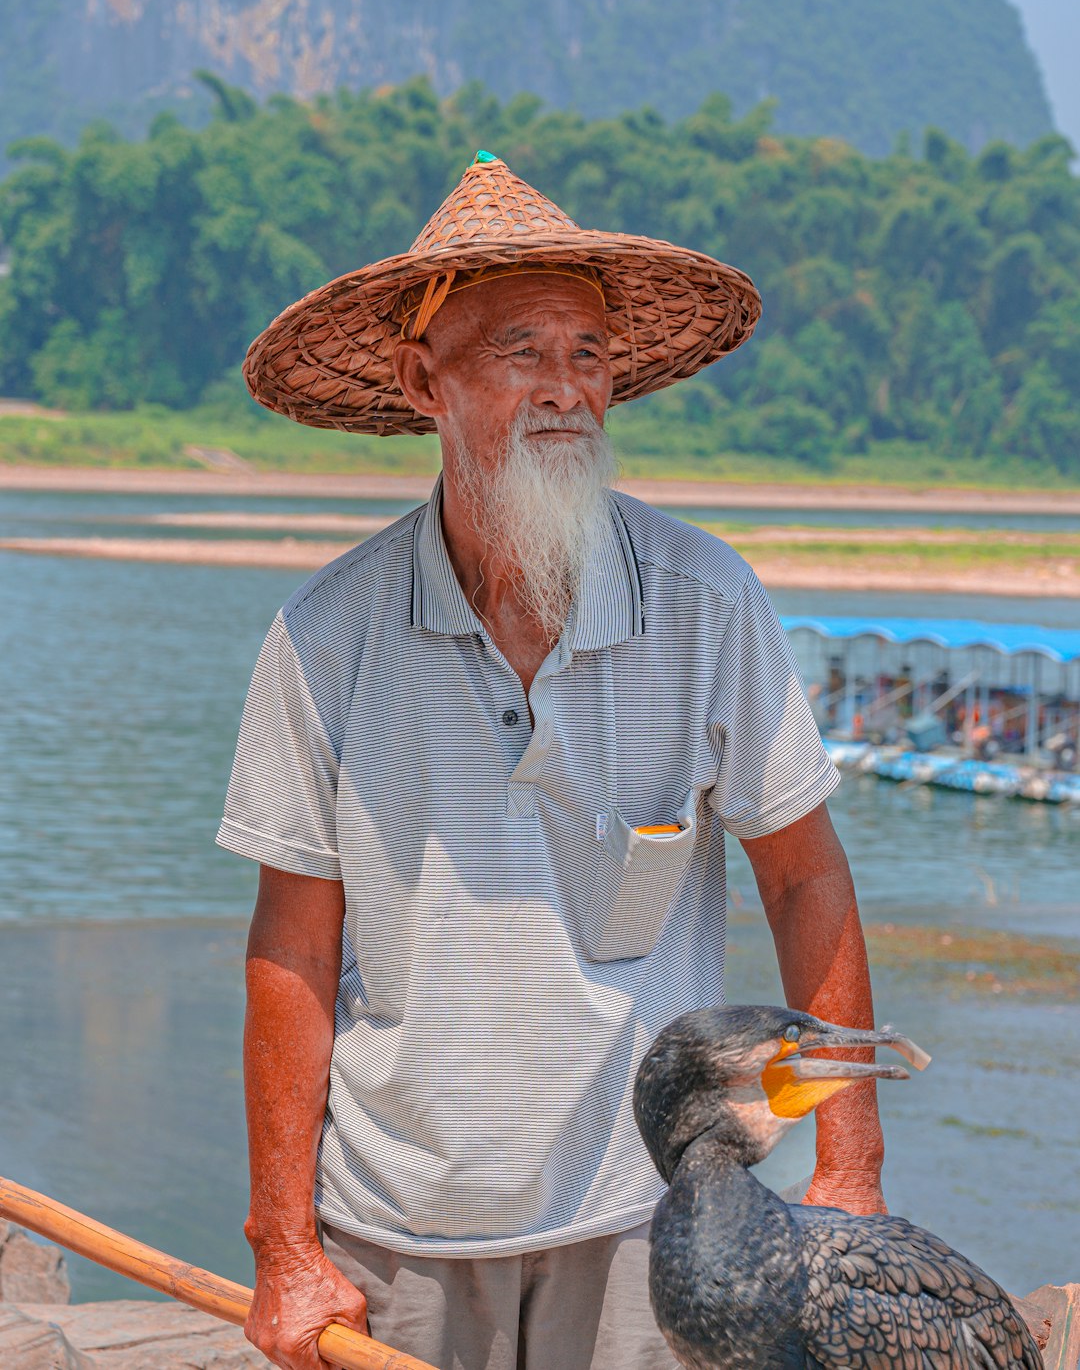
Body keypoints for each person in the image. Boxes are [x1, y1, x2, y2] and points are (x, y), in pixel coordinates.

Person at [218, 155, 887, 1370]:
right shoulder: (325, 637)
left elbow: (805, 880)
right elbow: (293, 950)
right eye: (521, 353)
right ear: (426, 381)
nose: (566, 391)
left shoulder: (705, 602)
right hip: (398, 1230)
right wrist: (284, 1250)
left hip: (649, 1221)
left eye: (589, 356)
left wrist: (849, 1172)